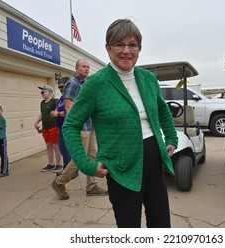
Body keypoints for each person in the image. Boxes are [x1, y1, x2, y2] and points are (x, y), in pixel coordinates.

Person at [62, 19, 178, 228]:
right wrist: (86, 165)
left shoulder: (148, 79)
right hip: (120, 166)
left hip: (153, 158)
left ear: (139, 49)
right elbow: (70, 126)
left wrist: (171, 137)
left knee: (161, 224)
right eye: (119, 44)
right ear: (108, 48)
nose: (126, 51)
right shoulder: (96, 84)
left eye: (132, 45)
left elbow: (161, 109)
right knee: (128, 226)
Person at [51, 59, 107, 200]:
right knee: (78, 159)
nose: (86, 69)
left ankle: (91, 186)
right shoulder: (72, 83)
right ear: (76, 69)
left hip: (91, 126)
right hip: (81, 127)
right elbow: (69, 107)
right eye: (83, 66)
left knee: (92, 157)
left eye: (88, 67)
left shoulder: (86, 84)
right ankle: (59, 182)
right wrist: (74, 127)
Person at [34, 85, 62, 172]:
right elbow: (42, 114)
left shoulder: (55, 102)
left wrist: (56, 113)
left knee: (55, 146)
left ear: (50, 93)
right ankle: (50, 164)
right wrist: (36, 122)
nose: (42, 93)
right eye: (41, 92)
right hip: (45, 127)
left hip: (54, 127)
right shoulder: (42, 103)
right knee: (48, 146)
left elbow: (58, 112)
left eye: (43, 92)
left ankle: (59, 164)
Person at [50, 77, 71, 168]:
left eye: (62, 86)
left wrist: (57, 114)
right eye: (59, 87)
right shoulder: (62, 98)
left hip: (68, 128)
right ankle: (66, 169)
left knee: (68, 151)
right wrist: (54, 112)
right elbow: (57, 109)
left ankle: (70, 171)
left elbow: (69, 111)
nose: (61, 89)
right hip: (60, 128)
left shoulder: (71, 97)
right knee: (63, 150)